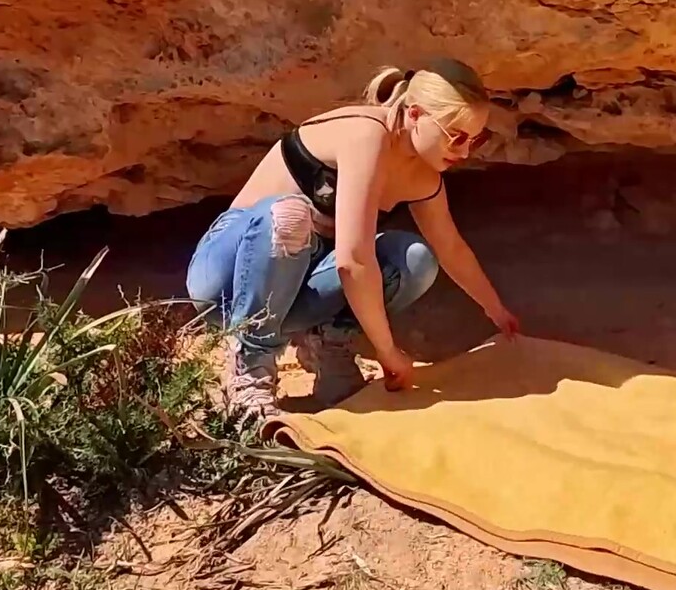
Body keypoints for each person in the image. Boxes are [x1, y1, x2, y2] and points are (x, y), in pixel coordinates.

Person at [185, 59, 522, 417]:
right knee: (290, 216)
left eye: (476, 139)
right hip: (227, 285)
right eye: (456, 136)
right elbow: (353, 260)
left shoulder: (423, 177)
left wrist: (496, 310)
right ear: (415, 114)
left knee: (415, 259)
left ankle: (328, 345)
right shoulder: (366, 134)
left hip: (294, 292)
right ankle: (251, 367)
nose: (465, 151)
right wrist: (387, 351)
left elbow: (450, 247)